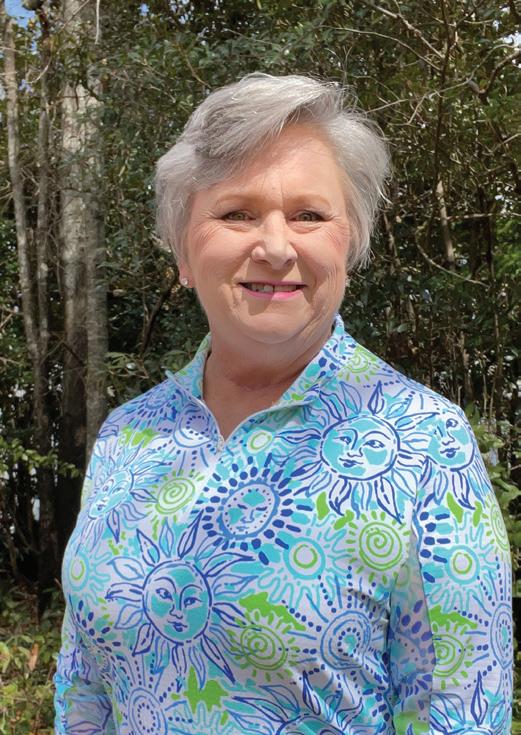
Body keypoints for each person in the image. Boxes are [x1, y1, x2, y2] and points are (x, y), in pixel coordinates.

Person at [54, 73, 513, 734]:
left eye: (309, 215)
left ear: (349, 244)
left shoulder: (424, 441)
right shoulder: (129, 436)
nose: (274, 247)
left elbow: (458, 712)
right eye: (236, 213)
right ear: (184, 252)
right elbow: (83, 688)